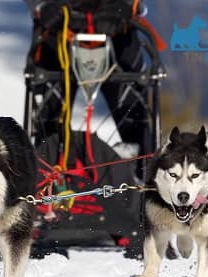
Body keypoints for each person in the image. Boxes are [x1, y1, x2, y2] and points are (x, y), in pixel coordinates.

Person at [24, 0, 152, 158]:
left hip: (119, 25)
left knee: (134, 117)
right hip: (58, 28)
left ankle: (143, 169)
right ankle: (47, 168)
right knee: (49, 123)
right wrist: (41, 5)